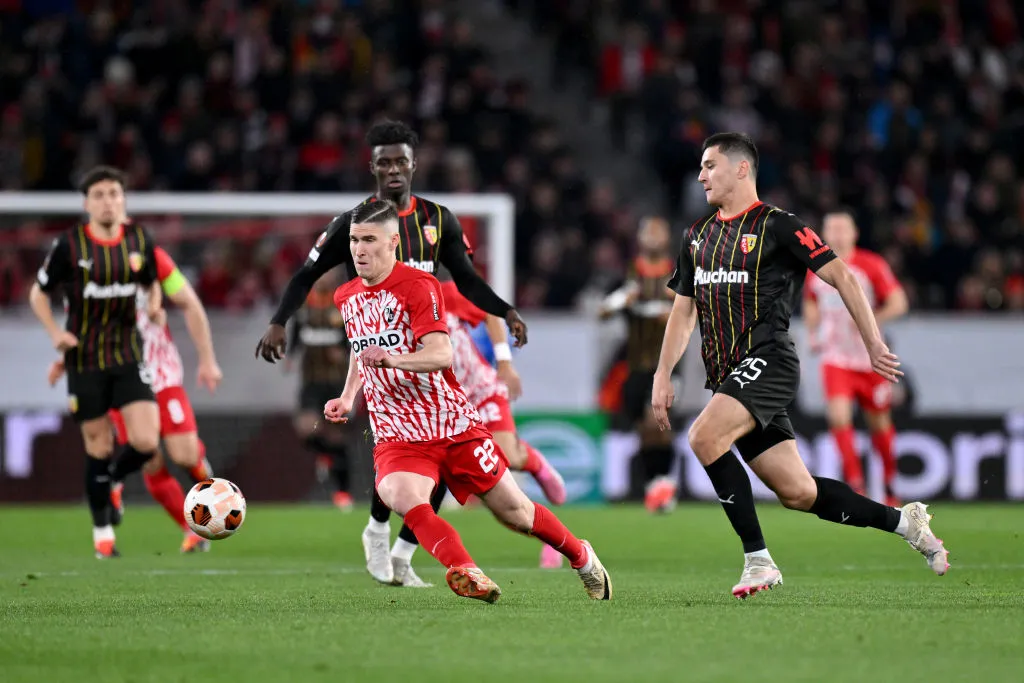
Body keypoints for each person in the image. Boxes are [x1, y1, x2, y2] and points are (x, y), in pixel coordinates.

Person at [650, 133, 949, 599]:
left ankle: (758, 561)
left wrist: (873, 342)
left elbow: (843, 275)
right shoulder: (697, 235)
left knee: (704, 436)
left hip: (769, 361)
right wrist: (662, 372)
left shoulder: (779, 225)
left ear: (741, 169)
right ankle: (905, 523)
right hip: (729, 377)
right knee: (798, 493)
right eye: (701, 167)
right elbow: (683, 311)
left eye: (710, 166)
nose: (701, 176)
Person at [255, 120, 529, 585]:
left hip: (428, 353)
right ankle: (378, 530)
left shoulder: (438, 220)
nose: (394, 169)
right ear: (373, 167)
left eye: (401, 160)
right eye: (385, 162)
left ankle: (402, 552)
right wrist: (279, 321)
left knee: (439, 459)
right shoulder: (356, 223)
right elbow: (305, 275)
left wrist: (505, 310)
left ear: (414, 164)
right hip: (377, 355)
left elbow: (467, 280)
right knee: (397, 455)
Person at [323, 200, 611, 603]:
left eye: (369, 240)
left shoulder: (419, 286)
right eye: (354, 240)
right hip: (397, 432)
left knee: (516, 513)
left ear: (392, 242)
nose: (359, 249)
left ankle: (581, 555)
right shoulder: (346, 296)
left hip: (451, 425)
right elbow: (361, 348)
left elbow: (441, 354)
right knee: (399, 494)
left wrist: (393, 359)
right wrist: (348, 395)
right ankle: (465, 569)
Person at [47, 244, 223, 553]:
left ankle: (210, 491)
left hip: (161, 374)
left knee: (184, 454)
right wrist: (67, 359)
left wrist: (206, 359)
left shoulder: (147, 256)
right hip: (121, 378)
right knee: (149, 458)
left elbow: (183, 299)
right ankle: (192, 530)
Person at [29, 166, 163, 558]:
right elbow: (38, 294)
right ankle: (102, 532)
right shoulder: (69, 245)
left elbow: (151, 282)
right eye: (100, 195)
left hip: (127, 353)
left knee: (146, 441)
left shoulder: (139, 239)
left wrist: (154, 306)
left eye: (114, 194)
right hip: (84, 358)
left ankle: (115, 481)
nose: (108, 202)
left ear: (124, 200)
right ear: (87, 203)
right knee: (98, 445)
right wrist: (56, 335)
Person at [439, 279, 567, 570]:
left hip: (480, 390)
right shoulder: (387, 309)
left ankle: (533, 461)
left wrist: (505, 362)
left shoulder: (442, 292)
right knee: (495, 498)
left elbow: (489, 312)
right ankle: (549, 538)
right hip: (448, 409)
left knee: (505, 454)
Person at [803, 210, 908, 506]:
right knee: (838, 416)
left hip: (871, 359)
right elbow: (811, 302)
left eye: (842, 228)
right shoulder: (816, 268)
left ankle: (889, 483)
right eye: (831, 229)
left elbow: (899, 302)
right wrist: (813, 332)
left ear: (854, 233)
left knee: (879, 424)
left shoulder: (871, 264)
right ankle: (856, 485)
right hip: (835, 358)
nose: (837, 234)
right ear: (824, 234)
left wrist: (870, 319)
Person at [598, 216, 679, 513]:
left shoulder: (677, 274)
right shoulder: (629, 274)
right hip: (635, 365)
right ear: (641, 238)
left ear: (667, 238)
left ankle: (664, 483)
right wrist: (623, 300)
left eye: (659, 232)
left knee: (657, 421)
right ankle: (653, 483)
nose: (654, 237)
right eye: (649, 232)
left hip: (669, 364)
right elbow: (603, 312)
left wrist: (675, 310)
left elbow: (697, 312)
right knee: (644, 429)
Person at [285, 268, 354, 511]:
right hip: (311, 381)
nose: (324, 277)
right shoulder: (304, 305)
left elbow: (355, 338)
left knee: (337, 438)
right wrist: (290, 355)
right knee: (306, 428)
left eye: (329, 272)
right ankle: (324, 455)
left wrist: (344, 353)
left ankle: (343, 492)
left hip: (337, 382)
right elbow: (297, 333)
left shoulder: (344, 304)